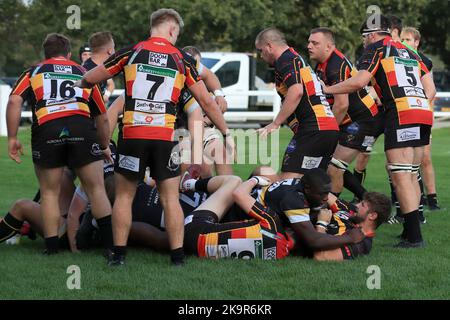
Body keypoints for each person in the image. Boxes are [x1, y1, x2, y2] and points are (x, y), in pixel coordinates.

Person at [75, 8, 232, 266]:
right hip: (164, 137)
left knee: (125, 196)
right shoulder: (181, 59)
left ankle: (119, 256)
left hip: (133, 134)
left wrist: (80, 85)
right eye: (177, 34)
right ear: (171, 29)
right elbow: (206, 100)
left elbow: (90, 78)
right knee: (170, 197)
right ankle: (178, 257)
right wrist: (226, 132)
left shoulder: (130, 52)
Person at [322, 15, 436, 248]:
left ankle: (414, 238)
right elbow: (431, 89)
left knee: (400, 174)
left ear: (372, 34)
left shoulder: (376, 49)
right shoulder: (411, 52)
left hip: (401, 113)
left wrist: (327, 88)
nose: (364, 42)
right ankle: (409, 231)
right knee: (410, 173)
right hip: (422, 112)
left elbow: (358, 81)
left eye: (364, 37)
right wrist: (416, 104)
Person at [6, 33, 114, 255]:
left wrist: (13, 137)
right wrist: (104, 145)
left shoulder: (33, 72)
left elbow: (15, 100)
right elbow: (102, 116)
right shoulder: (84, 72)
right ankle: (112, 247)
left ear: (45, 54)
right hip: (81, 129)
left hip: (48, 129)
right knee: (96, 189)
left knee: (49, 193)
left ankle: (52, 248)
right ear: (69, 54)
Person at [255, 28, 339, 179]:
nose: (261, 55)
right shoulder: (294, 58)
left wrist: (276, 123)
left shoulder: (285, 59)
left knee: (287, 185)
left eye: (261, 50)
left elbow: (296, 91)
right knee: (312, 188)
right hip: (327, 128)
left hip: (314, 128)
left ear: (269, 46)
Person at [307, 27, 378, 197]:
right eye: (309, 42)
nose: (309, 46)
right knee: (330, 162)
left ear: (329, 46)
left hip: (362, 120)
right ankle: (367, 201)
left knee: (334, 167)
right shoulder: (322, 63)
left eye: (315, 43)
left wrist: (326, 131)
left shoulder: (335, 65)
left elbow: (342, 105)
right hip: (351, 120)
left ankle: (332, 216)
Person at [232, 168, 365, 252]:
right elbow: (313, 241)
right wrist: (350, 238)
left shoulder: (302, 186)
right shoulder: (294, 201)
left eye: (327, 193)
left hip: (251, 200)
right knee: (291, 241)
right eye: (322, 194)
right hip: (239, 216)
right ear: (307, 188)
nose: (326, 198)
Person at [400, 26, 440, 211]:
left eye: (408, 39)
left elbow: (430, 90)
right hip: (406, 114)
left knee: (424, 158)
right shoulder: (397, 57)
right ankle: (413, 203)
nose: (404, 43)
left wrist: (420, 104)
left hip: (422, 113)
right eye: (402, 39)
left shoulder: (424, 61)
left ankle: (431, 200)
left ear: (416, 42)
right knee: (403, 163)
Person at [178, 46, 233, 177]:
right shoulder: (177, 80)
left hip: (203, 129)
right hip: (179, 130)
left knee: (220, 151)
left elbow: (217, 111)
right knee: (199, 164)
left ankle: (227, 190)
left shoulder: (203, 82)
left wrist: (219, 95)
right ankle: (194, 192)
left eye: (197, 66)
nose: (194, 70)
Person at [311, 192, 391, 260]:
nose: (356, 205)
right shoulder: (352, 212)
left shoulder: (362, 243)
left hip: (302, 231)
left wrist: (321, 223)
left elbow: (321, 256)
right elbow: (323, 192)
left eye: (362, 205)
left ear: (372, 216)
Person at [83, 32, 116, 103]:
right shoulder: (90, 72)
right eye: (114, 48)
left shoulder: (96, 67)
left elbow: (111, 84)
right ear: (110, 51)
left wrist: (106, 95)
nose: (114, 51)